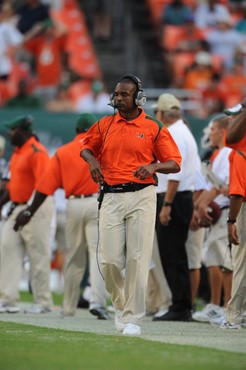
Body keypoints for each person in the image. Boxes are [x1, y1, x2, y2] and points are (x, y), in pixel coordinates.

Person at [80, 75, 182, 336]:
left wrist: (153, 166)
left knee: (138, 257)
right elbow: (86, 148)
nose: (118, 98)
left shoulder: (153, 126)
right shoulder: (104, 125)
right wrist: (92, 161)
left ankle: (134, 318)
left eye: (125, 94)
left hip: (143, 194)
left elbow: (174, 162)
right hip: (111, 195)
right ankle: (120, 305)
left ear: (138, 97)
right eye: (116, 94)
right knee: (109, 261)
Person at [14, 113, 110, 320]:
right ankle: (97, 302)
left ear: (76, 130)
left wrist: (30, 210)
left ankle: (68, 307)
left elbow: (45, 187)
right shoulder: (102, 149)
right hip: (97, 202)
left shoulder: (63, 151)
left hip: (73, 204)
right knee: (97, 255)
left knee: (73, 257)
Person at [0, 115, 54, 314]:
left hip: (36, 207)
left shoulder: (37, 151)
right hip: (17, 207)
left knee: (37, 254)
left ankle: (43, 302)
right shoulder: (17, 152)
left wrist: (30, 210)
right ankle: (8, 300)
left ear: (22, 132)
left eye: (12, 130)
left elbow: (44, 184)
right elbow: (13, 185)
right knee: (7, 249)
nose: (9, 133)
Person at [152, 94, 198, 322]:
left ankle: (180, 306)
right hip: (180, 197)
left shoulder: (175, 134)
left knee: (173, 254)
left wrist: (167, 205)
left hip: (175, 198)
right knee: (175, 253)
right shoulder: (182, 131)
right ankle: (181, 304)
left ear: (161, 114)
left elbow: (175, 174)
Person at [193, 116, 232, 324]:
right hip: (222, 210)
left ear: (224, 131)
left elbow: (220, 187)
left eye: (215, 129)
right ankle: (217, 305)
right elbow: (214, 186)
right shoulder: (218, 154)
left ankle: (225, 306)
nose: (211, 133)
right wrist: (200, 204)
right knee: (215, 259)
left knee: (224, 262)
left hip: (226, 210)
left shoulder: (226, 153)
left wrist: (200, 205)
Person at [221, 100, 246, 329]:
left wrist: (231, 221)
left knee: (241, 263)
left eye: (235, 116)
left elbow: (238, 193)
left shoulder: (240, 151)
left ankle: (235, 316)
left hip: (243, 208)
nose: (231, 120)